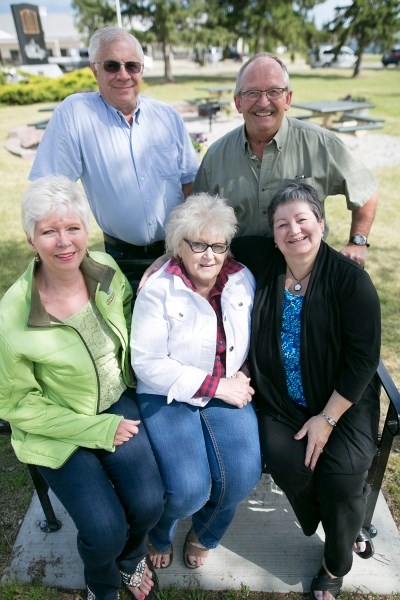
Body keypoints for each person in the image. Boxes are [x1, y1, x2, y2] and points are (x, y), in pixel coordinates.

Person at [0, 175, 165, 600]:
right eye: (49, 231)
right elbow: (16, 405)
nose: (64, 241)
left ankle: (131, 559)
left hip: (116, 402)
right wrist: (97, 430)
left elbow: (132, 323)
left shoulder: (106, 270)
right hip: (55, 426)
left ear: (86, 230)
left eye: (72, 227)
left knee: (149, 504)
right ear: (30, 238)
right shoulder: (11, 316)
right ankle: (102, 583)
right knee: (104, 529)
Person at [231, 182, 381, 600]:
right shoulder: (263, 258)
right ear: (272, 234)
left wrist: (327, 419)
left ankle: (335, 563)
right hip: (279, 400)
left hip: (342, 404)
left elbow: (363, 360)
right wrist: (165, 263)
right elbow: (206, 239)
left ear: (321, 222)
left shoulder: (350, 281)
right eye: (282, 224)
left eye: (302, 219)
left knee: (342, 477)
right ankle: (345, 527)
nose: (293, 230)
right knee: (288, 461)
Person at [130, 194, 262, 570]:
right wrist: (218, 386)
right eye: (198, 245)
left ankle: (205, 533)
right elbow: (147, 362)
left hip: (228, 386)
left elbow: (255, 338)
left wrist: (246, 372)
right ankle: (162, 531)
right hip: (168, 393)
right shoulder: (159, 289)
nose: (209, 255)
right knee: (188, 490)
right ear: (178, 247)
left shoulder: (241, 279)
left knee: (240, 477)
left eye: (218, 246)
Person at [29, 26, 199, 291]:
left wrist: (189, 243)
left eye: (132, 66)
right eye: (111, 65)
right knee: (128, 328)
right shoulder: (76, 114)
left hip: (177, 249)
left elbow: (190, 182)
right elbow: (49, 190)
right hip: (121, 256)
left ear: (141, 70)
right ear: (94, 70)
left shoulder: (168, 116)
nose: (123, 75)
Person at [193, 52, 379, 268]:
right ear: (238, 103)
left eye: (274, 91)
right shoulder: (217, 156)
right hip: (238, 280)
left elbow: (366, 190)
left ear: (288, 98)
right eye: (252, 93)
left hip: (306, 277)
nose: (263, 102)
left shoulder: (320, 144)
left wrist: (358, 242)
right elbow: (197, 219)